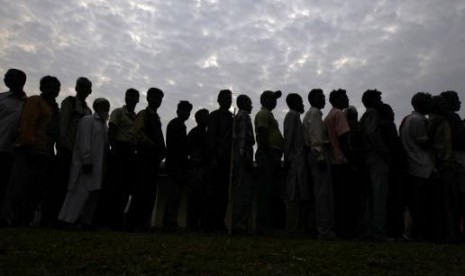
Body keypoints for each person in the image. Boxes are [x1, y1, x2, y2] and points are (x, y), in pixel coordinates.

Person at [1, 76, 60, 226]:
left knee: (36, 188)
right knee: (20, 185)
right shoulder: (35, 101)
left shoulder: (53, 107)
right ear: (42, 88)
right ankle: (10, 218)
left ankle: (24, 218)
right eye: (50, 87)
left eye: (56, 88)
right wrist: (28, 144)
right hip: (30, 149)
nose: (53, 90)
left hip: (45, 151)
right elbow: (28, 122)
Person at [43, 77, 92, 226]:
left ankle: (63, 219)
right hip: (66, 149)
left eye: (86, 87)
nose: (83, 89)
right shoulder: (69, 102)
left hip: (78, 155)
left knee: (72, 187)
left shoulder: (88, 110)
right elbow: (62, 125)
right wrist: (62, 145)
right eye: (81, 86)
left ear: (90, 91)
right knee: (58, 185)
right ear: (76, 88)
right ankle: (48, 219)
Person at [58, 98, 110, 228]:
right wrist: (86, 161)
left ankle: (86, 222)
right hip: (86, 166)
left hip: (98, 168)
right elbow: (84, 142)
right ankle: (67, 220)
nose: (106, 108)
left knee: (93, 195)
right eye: (103, 106)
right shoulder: (88, 120)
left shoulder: (104, 125)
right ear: (96, 107)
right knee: (78, 193)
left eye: (107, 106)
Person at [98, 88, 140, 230]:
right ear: (126, 97)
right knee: (111, 186)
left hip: (130, 151)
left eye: (135, 96)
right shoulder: (118, 112)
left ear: (138, 100)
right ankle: (102, 221)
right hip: (119, 149)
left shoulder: (136, 117)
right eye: (130, 95)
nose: (132, 98)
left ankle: (116, 221)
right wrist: (114, 150)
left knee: (125, 188)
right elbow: (112, 131)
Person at [128, 87, 166, 231]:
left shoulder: (156, 118)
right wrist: (152, 144)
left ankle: (143, 223)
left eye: (159, 99)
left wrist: (160, 151)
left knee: (150, 192)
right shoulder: (143, 114)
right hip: (144, 157)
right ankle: (133, 223)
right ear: (148, 98)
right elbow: (137, 132)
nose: (157, 101)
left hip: (153, 159)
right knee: (140, 190)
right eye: (155, 98)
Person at [400, 92, 435, 241]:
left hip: (415, 165)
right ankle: (421, 233)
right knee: (422, 203)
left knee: (417, 203)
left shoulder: (409, 120)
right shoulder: (418, 121)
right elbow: (423, 142)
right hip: (422, 166)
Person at [303, 89, 335, 239]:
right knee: (322, 193)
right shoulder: (315, 113)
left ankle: (318, 228)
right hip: (318, 155)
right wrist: (321, 156)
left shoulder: (311, 114)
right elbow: (316, 137)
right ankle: (324, 230)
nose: (324, 99)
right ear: (313, 99)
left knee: (319, 192)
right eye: (321, 96)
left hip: (314, 154)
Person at [427, 95, 459, 242]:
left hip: (441, 165)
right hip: (443, 165)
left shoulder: (432, 121)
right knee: (447, 203)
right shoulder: (438, 121)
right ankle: (449, 234)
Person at [359, 89, 389, 240]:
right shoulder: (372, 113)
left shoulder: (367, 114)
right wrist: (384, 152)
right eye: (378, 98)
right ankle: (377, 231)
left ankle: (371, 229)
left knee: (372, 196)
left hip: (370, 157)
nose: (381, 101)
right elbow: (372, 134)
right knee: (378, 196)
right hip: (375, 157)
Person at [323, 89, 354, 238]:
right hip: (341, 160)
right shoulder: (340, 115)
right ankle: (346, 231)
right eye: (345, 97)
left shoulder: (328, 116)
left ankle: (340, 229)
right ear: (337, 100)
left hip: (333, 161)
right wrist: (351, 160)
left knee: (338, 199)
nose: (347, 100)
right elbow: (344, 139)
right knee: (346, 199)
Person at [254, 90, 284, 234]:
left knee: (271, 190)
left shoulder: (268, 114)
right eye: (272, 98)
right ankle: (263, 226)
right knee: (266, 190)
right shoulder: (264, 114)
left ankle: (268, 225)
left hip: (272, 154)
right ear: (264, 100)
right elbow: (262, 134)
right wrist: (271, 154)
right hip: (268, 154)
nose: (274, 101)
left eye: (275, 99)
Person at [163, 101, 193, 231]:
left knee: (174, 195)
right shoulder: (177, 125)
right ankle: (169, 222)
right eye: (184, 110)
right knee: (173, 195)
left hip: (176, 164)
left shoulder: (177, 124)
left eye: (188, 111)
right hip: (175, 165)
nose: (186, 113)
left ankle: (170, 221)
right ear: (178, 111)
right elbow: (178, 148)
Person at [440, 91, 465, 241]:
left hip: (450, 162)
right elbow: (460, 140)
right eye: (457, 100)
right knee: (460, 199)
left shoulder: (442, 118)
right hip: (458, 161)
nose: (460, 103)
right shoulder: (453, 117)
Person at [207, 89, 233, 231]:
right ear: (219, 100)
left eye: (230, 98)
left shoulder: (231, 117)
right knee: (214, 192)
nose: (228, 101)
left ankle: (220, 222)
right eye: (225, 98)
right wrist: (213, 156)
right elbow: (211, 137)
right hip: (217, 158)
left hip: (228, 159)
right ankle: (212, 223)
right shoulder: (215, 116)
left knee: (224, 193)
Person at [0, 69, 27, 209]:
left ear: (22, 81)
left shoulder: (28, 104)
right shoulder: (2, 98)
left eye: (11, 76)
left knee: (7, 183)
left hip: (13, 150)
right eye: (7, 76)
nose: (7, 78)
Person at [283, 93, 309, 235]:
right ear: (294, 103)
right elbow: (288, 138)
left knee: (298, 196)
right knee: (292, 196)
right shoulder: (291, 116)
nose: (302, 103)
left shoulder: (296, 117)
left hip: (298, 163)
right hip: (294, 163)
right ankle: (291, 228)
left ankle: (297, 228)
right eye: (300, 101)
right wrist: (287, 159)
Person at [231, 95, 255, 234]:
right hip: (243, 157)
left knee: (240, 190)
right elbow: (242, 140)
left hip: (239, 157)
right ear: (244, 103)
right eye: (250, 102)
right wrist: (245, 157)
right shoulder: (244, 115)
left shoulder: (238, 116)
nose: (252, 105)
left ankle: (239, 223)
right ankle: (240, 225)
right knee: (243, 192)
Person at [186, 109, 210, 231]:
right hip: (196, 170)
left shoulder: (207, 133)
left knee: (204, 198)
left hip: (204, 169)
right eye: (204, 116)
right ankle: (192, 225)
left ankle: (202, 225)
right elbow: (188, 149)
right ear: (198, 119)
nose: (207, 118)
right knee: (194, 198)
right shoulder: (195, 132)